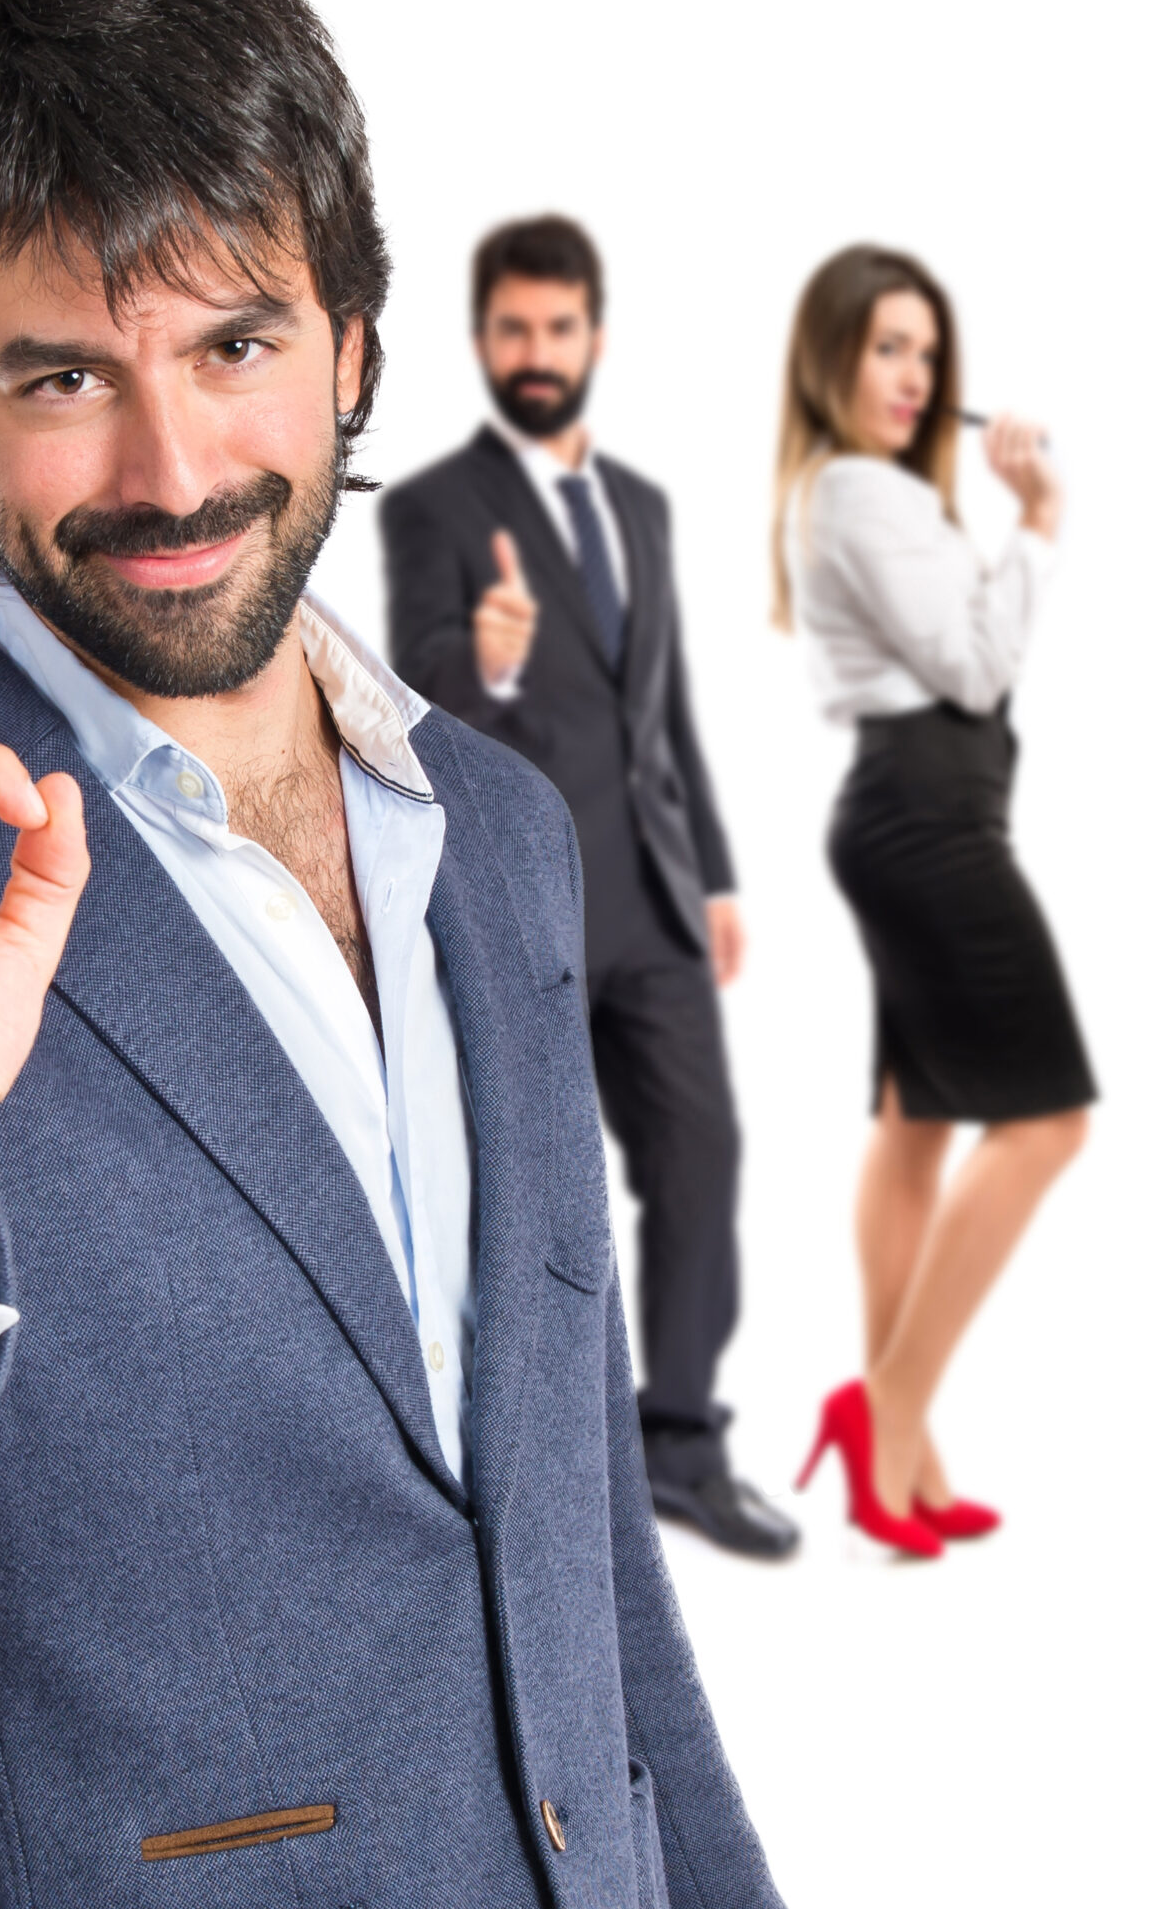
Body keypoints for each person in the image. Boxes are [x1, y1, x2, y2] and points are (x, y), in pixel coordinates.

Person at [0, 0, 780, 1906]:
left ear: (353, 350)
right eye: (64, 374)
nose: (171, 470)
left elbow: (595, 1588)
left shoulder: (496, 835)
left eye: (235, 343)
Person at [380, 218, 796, 1560]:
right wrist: (489, 656)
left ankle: (682, 1441)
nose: (536, 352)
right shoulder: (436, 507)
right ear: (480, 338)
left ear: (594, 337)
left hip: (654, 900)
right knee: (537, 1191)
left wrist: (713, 875)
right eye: (513, 328)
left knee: (700, 1153)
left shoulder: (643, 508)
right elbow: (411, 701)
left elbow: (662, 714)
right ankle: (550, 1469)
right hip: (525, 903)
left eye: (558, 328)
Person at [773, 244, 1095, 1558]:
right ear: (832, 358)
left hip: (922, 810)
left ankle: (903, 1457)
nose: (911, 375)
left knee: (917, 1120)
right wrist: (1039, 522)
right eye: (885, 347)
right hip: (925, 816)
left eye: (925, 350)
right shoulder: (857, 488)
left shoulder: (871, 491)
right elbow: (974, 666)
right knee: (1046, 1121)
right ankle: (886, 1410)